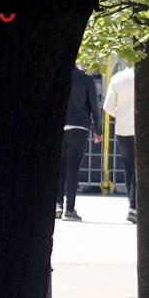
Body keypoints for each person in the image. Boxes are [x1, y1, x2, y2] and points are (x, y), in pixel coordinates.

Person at [102, 65, 149, 223]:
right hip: (145, 129)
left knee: (129, 169)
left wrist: (120, 114)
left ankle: (132, 204)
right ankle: (135, 206)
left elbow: (108, 107)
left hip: (123, 130)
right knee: (141, 168)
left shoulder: (117, 78)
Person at [57, 65, 103, 221]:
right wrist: (98, 129)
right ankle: (69, 209)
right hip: (79, 126)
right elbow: (94, 105)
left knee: (60, 167)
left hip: (61, 126)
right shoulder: (86, 78)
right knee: (73, 169)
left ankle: (57, 205)